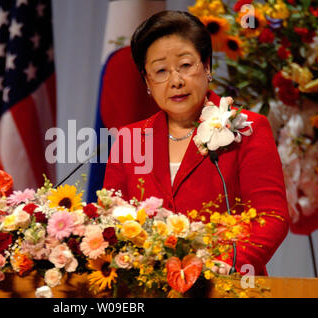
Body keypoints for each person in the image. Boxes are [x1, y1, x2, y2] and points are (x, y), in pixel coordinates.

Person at [103, 11, 289, 276]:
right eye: (160, 71)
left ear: (207, 66)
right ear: (147, 81)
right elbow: (111, 219)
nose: (176, 81)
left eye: (186, 65)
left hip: (227, 284)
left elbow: (271, 217)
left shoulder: (247, 129)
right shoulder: (130, 140)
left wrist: (217, 265)